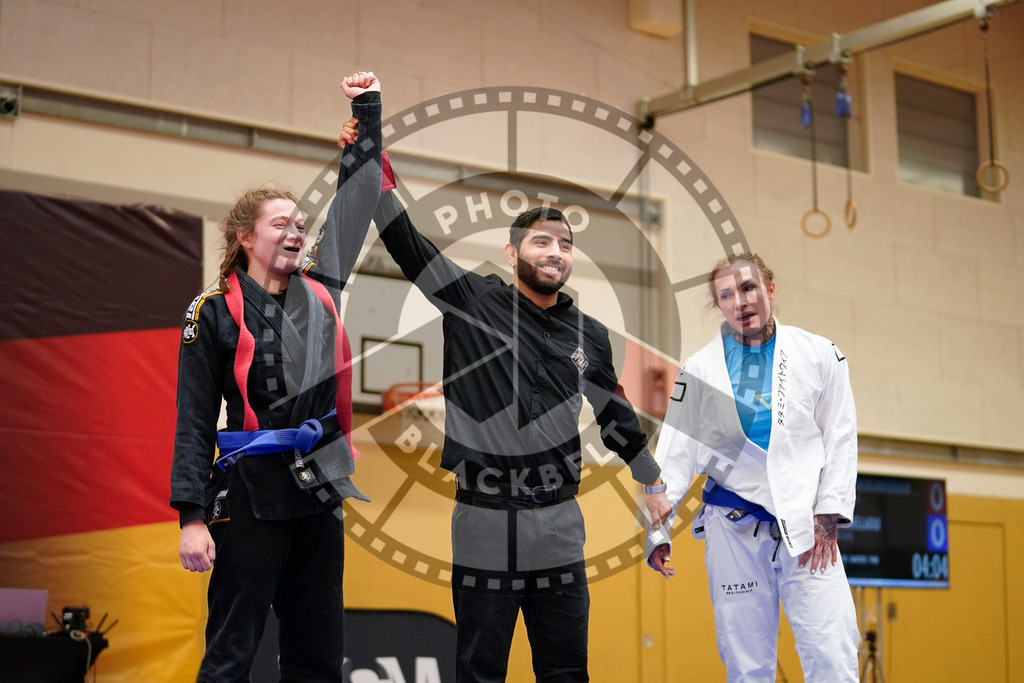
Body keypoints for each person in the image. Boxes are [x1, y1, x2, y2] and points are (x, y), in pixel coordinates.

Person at [339, 120, 672, 681]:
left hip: (561, 522)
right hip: (484, 518)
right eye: (542, 242)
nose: (556, 253)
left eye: (565, 245)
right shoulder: (471, 300)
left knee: (566, 669)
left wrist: (652, 481)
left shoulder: (589, 334)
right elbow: (407, 243)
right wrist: (371, 161)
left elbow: (614, 414)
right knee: (480, 668)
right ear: (512, 251)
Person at [170, 71, 384, 682]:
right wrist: (190, 516)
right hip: (249, 492)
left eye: (300, 224)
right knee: (232, 651)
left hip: (320, 486)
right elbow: (192, 418)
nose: (297, 232)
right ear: (244, 239)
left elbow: (360, 196)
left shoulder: (323, 287)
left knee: (317, 654)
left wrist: (365, 114)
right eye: (280, 224)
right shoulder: (211, 310)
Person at [645, 253, 859, 682]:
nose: (740, 301)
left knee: (832, 652)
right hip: (733, 527)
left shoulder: (819, 354)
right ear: (719, 305)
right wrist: (657, 531)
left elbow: (841, 435)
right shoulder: (698, 372)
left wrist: (829, 511)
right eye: (727, 295)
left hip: (809, 526)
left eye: (748, 289)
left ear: (769, 290)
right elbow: (674, 453)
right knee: (746, 664)